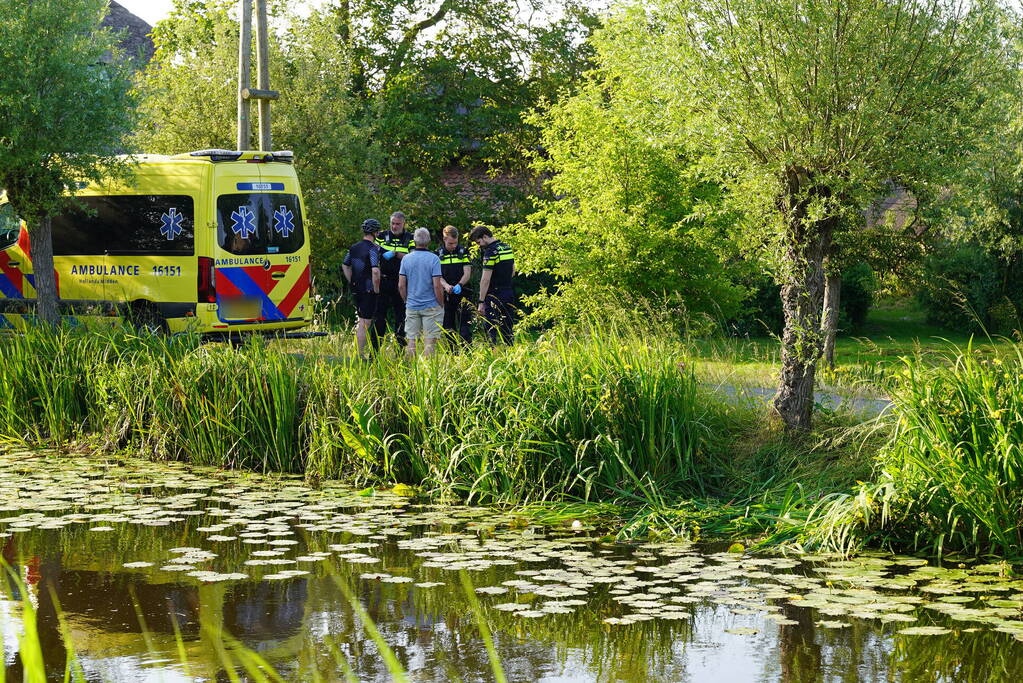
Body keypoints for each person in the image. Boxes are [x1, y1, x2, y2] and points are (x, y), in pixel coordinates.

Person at [398, 227, 445, 357]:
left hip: (412, 305)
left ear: (414, 241)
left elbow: (401, 285)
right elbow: (437, 285)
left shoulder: (406, 259)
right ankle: (428, 373)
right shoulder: (434, 259)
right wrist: (441, 303)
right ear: (429, 241)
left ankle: (411, 372)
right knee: (430, 342)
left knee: (411, 341)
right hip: (431, 306)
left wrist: (406, 301)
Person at [468, 225, 516, 345]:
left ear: (485, 236)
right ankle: (511, 355)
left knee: (491, 330)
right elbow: (513, 271)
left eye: (479, 242)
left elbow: (485, 279)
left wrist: (480, 302)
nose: (479, 245)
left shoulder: (490, 252)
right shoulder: (507, 248)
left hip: (494, 294)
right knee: (508, 328)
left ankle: (492, 356)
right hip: (508, 291)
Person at [341, 219, 382, 356]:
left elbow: (345, 265)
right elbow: (375, 271)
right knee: (365, 323)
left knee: (361, 320)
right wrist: (376, 288)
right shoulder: (373, 249)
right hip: (369, 289)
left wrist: (352, 281)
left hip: (356, 288)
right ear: (375, 232)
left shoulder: (354, 247)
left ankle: (358, 353)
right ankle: (359, 355)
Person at [375, 211, 414, 347]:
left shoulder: (410, 238)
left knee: (401, 318)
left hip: (402, 282)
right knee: (379, 317)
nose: (394, 226)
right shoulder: (382, 236)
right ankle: (375, 353)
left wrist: (396, 254)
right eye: (392, 223)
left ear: (403, 224)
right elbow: (375, 253)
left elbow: (413, 258)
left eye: (398, 224)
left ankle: (400, 352)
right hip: (384, 280)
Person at [436, 225, 472, 346]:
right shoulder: (438, 254)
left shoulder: (463, 252)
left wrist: (459, 285)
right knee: (448, 326)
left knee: (465, 325)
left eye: (455, 243)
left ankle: (467, 353)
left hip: (462, 292)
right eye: (451, 243)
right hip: (446, 294)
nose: (454, 246)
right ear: (444, 239)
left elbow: (467, 272)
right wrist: (446, 285)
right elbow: (437, 275)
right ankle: (452, 354)